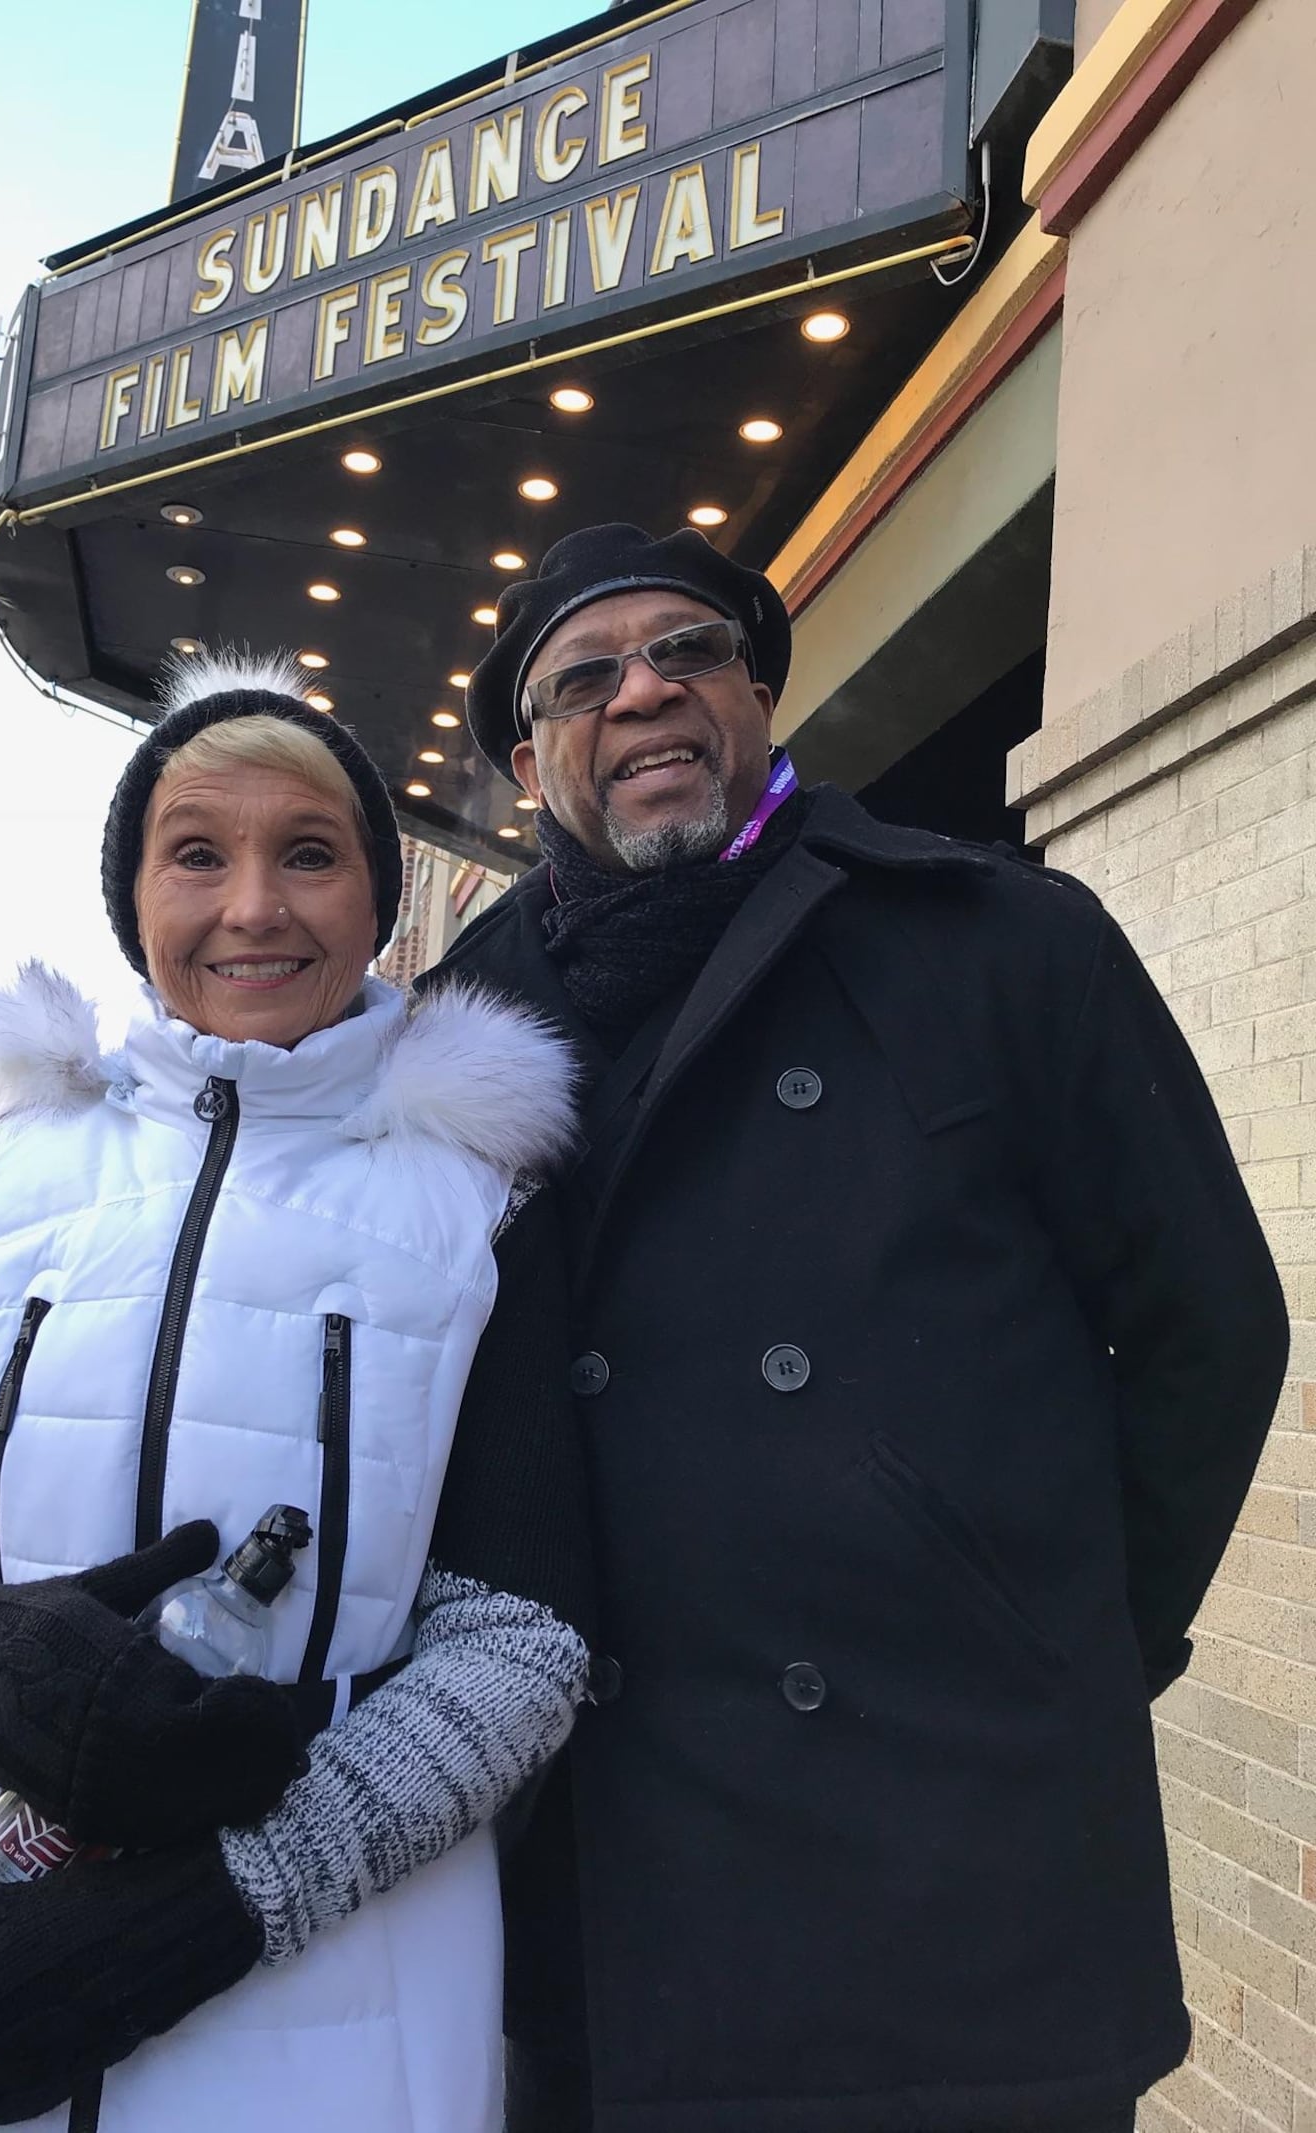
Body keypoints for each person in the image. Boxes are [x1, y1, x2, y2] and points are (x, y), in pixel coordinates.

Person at [428, 523, 1290, 2133]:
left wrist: (1068, 1632)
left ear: (756, 688)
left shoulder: (1005, 939)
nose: (647, 693)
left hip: (954, 1879)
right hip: (599, 1910)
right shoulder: (456, 1038)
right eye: (586, 676)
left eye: (688, 650)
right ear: (527, 759)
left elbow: (1210, 1331)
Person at [0, 650, 590, 2133]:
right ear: (133, 896)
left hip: (335, 1979)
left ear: (378, 900)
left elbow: (524, 1636)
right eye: (197, 855)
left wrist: (231, 1899)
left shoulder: (480, 1203)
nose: (252, 906)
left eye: (308, 854)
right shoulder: (15, 1170)